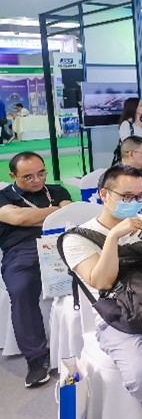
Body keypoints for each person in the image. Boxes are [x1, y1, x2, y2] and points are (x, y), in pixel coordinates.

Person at [61, 165, 142, 417]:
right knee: (141, 377)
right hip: (118, 318)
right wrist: (113, 238)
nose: (134, 203)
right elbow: (102, 282)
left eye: (139, 196)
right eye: (126, 196)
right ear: (104, 194)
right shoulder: (77, 238)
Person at [0, 152, 72, 386]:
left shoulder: (57, 190)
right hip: (22, 251)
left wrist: (30, 216)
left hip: (60, 245)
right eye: (28, 177)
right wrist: (54, 211)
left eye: (41, 173)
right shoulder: (3, 196)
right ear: (13, 176)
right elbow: (17, 218)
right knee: (21, 289)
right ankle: (36, 358)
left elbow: (69, 214)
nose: (37, 180)